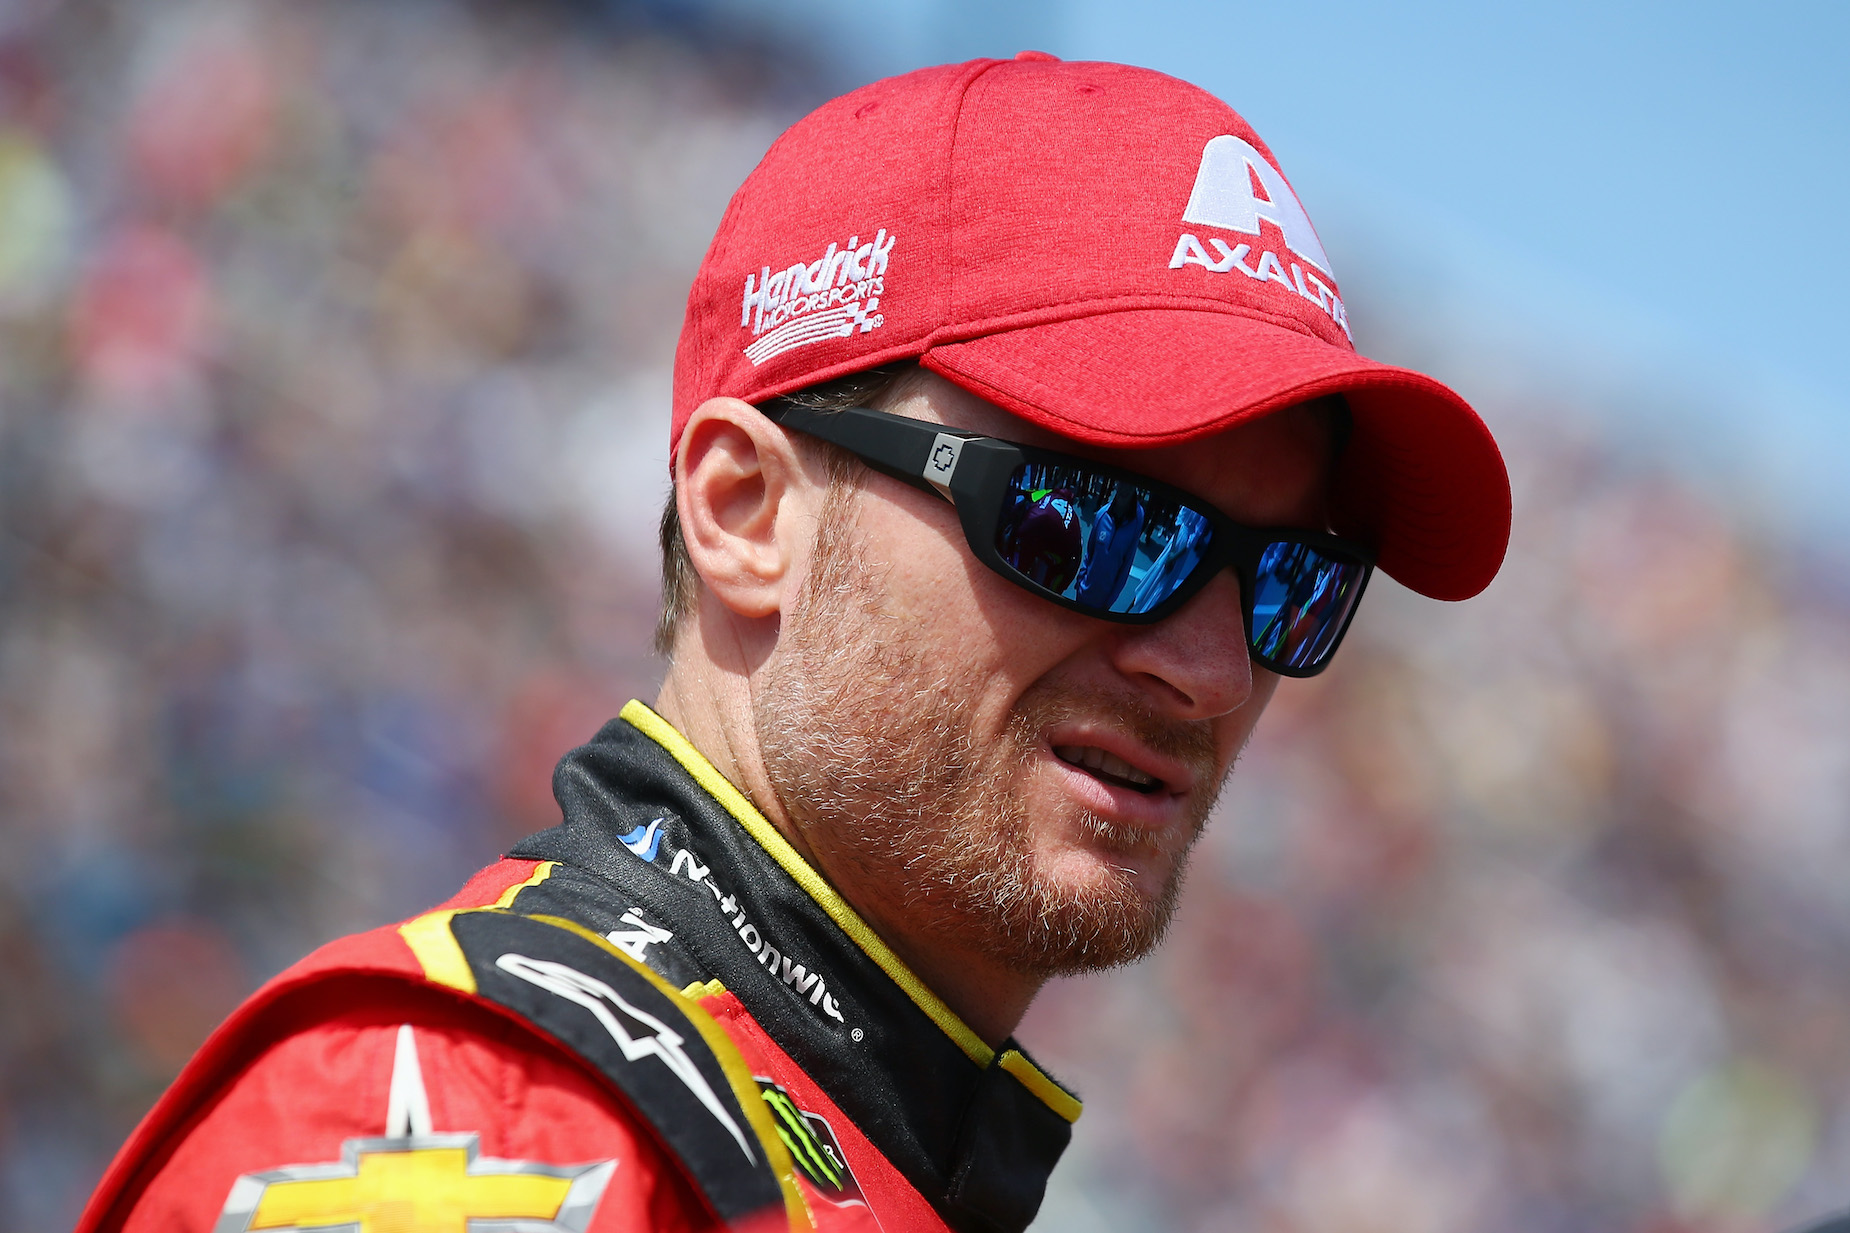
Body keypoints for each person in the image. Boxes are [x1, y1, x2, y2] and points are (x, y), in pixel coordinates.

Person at [78, 52, 1509, 1233]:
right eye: (1090, 524)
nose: (1206, 668)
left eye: (1292, 588)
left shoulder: (817, 1152)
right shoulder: (497, 1124)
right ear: (746, 512)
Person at [1072, 485, 1145, 610]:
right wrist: (1080, 581)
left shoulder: (1138, 519)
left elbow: (1125, 566)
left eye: (1130, 483)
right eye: (1123, 482)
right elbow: (1089, 552)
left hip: (1103, 603)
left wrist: (1110, 601)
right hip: (1084, 592)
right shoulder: (1102, 514)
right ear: (1116, 483)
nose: (1125, 488)